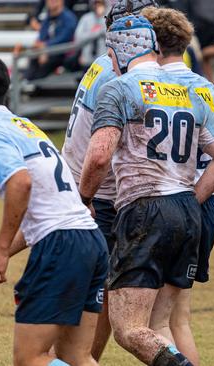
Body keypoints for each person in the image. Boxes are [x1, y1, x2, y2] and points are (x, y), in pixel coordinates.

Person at [79, 14, 214, 366]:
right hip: (186, 210)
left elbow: (99, 156)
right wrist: (192, 199)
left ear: (117, 53)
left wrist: (84, 199)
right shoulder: (191, 90)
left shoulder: (118, 89)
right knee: (160, 324)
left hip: (143, 210)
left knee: (129, 329)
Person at [0, 54, 107, 366]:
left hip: (61, 246)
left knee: (30, 358)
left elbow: (20, 185)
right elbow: (47, 207)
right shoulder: (24, 125)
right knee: (76, 356)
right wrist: (2, 252)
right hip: (90, 240)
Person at [61, 0, 158, 360]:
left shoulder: (106, 64)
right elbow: (104, 149)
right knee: (97, 291)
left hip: (77, 182)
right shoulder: (121, 74)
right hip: (100, 193)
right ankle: (84, 357)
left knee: (90, 286)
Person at [141, 7, 214, 366]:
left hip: (168, 201)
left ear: (151, 43)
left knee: (151, 323)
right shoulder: (209, 90)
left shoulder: (152, 87)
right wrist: (207, 209)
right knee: (178, 317)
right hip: (204, 205)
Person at [23, 0, 77, 81]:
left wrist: (46, 47)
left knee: (43, 63)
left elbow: (65, 38)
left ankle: (29, 83)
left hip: (63, 53)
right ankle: (27, 81)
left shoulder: (69, 17)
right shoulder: (48, 17)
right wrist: (41, 48)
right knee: (33, 55)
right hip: (48, 52)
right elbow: (42, 36)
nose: (51, 2)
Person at [73, 0, 107, 71]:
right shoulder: (86, 18)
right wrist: (96, 33)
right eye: (96, 3)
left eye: (100, 3)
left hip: (104, 61)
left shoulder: (108, 18)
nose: (98, 6)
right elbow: (78, 38)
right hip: (87, 61)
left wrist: (100, 20)